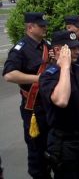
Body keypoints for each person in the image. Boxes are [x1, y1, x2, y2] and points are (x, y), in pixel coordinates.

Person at [3, 12, 51, 179]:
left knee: (51, 146)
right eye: (41, 25)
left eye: (45, 25)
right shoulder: (20, 49)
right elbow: (9, 75)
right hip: (33, 109)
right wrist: (39, 78)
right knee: (37, 151)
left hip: (50, 104)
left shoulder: (47, 45)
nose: (45, 28)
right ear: (30, 27)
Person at [39, 31, 79, 179]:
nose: (77, 51)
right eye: (71, 48)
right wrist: (64, 67)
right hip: (64, 144)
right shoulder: (49, 75)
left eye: (77, 47)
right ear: (58, 50)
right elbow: (62, 100)